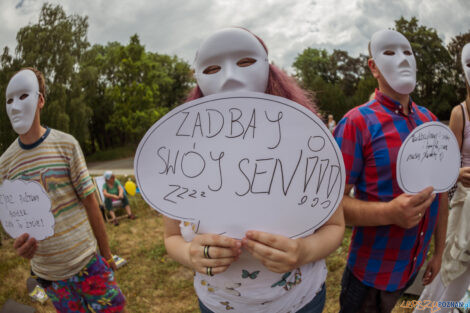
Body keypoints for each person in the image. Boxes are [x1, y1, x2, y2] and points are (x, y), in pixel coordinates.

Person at [163, 28, 345, 313]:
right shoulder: (184, 151)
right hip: (219, 305)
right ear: (199, 78)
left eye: (245, 62)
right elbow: (171, 236)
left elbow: (335, 226)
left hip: (300, 302)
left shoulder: (307, 140)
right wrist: (189, 253)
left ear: (269, 70)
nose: (230, 77)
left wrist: (304, 252)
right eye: (212, 67)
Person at [333, 29, 448, 313]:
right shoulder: (356, 123)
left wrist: (440, 252)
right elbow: (330, 205)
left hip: (412, 265)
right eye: (389, 53)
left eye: (408, 52)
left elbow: (441, 192)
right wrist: (389, 213)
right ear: (373, 67)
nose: (403, 60)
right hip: (369, 274)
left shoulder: (430, 121)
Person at [0, 68, 126, 312]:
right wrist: (19, 244)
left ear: (41, 100)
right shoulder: (4, 165)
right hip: (50, 277)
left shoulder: (66, 145)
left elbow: (90, 201)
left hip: (88, 262)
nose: (15, 106)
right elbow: (14, 220)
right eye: (8, 100)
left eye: (23, 96)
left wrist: (106, 254)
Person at [413, 42, 470, 313]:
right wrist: (458, 173)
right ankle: (434, 309)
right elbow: (447, 164)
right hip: (463, 202)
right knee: (453, 261)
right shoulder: (460, 113)